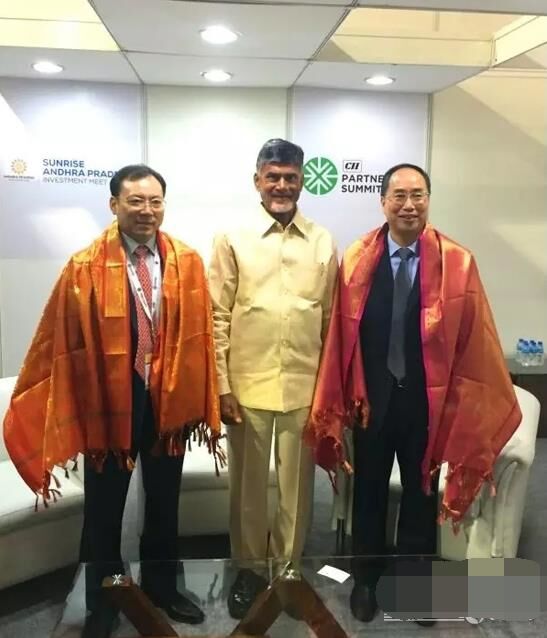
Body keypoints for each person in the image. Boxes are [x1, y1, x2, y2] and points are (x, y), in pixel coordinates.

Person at [3, 165, 222, 638]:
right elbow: (63, 341)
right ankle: (104, 600)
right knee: (104, 511)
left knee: (164, 501)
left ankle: (162, 587)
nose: (147, 211)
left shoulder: (187, 261)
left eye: (155, 201)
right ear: (114, 205)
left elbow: (200, 335)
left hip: (167, 400)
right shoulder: (83, 266)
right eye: (136, 201)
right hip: (110, 403)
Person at [305, 163, 521, 625]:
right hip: (372, 401)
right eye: (399, 196)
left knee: (420, 495)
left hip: (429, 404)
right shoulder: (358, 258)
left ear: (428, 200)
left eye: (418, 195)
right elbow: (342, 336)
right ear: (383, 201)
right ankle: (366, 580)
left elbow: (474, 339)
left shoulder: (457, 262)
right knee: (368, 492)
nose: (409, 205)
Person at [208, 139, 338, 619]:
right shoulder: (232, 237)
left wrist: (329, 391)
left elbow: (331, 322)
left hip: (304, 387)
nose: (282, 186)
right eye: (273, 177)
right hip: (247, 387)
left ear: (302, 181)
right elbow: (217, 315)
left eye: (290, 177)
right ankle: (248, 570)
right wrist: (222, 386)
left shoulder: (322, 241)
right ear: (257, 180)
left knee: (296, 490)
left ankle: (287, 570)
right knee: (247, 488)